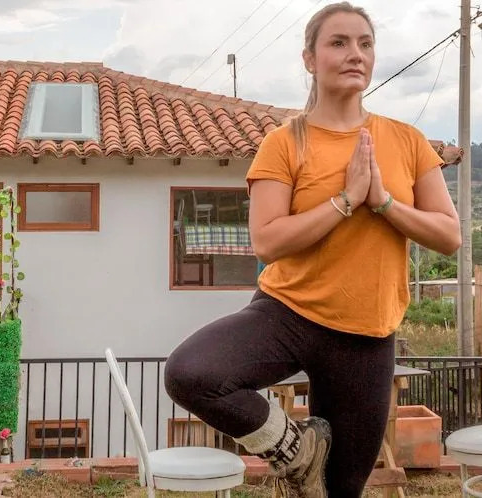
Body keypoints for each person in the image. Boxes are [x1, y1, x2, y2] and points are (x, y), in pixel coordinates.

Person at [163, 3, 462, 497]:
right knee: (192, 374)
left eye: (365, 43)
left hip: (367, 333)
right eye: (338, 43)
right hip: (288, 313)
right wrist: (344, 201)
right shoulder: (284, 143)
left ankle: (308, 470)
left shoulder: (407, 141)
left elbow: (449, 235)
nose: (355, 54)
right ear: (310, 58)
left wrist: (383, 203)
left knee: (341, 488)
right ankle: (293, 449)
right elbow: (268, 240)